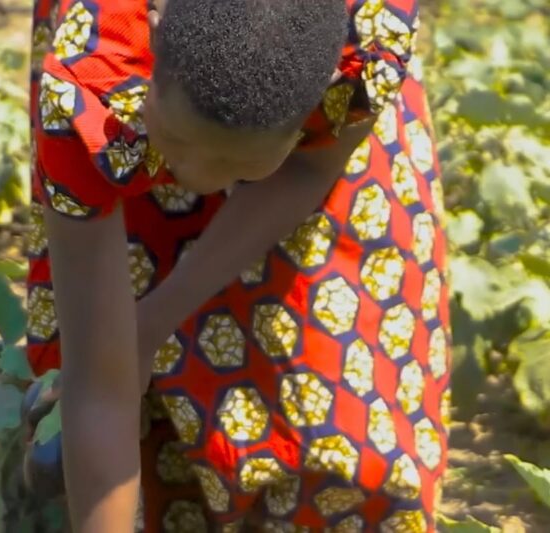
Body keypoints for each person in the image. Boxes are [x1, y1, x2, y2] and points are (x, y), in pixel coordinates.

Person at [24, 0, 450, 531]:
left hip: (273, 86)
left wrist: (153, 321)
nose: (195, 175)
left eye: (242, 163)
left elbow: (310, 168)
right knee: (115, 347)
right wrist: (116, 351)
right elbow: (100, 384)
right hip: (132, 74)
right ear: (154, 39)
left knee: (349, 421)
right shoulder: (88, 82)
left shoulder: (367, 45)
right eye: (178, 141)